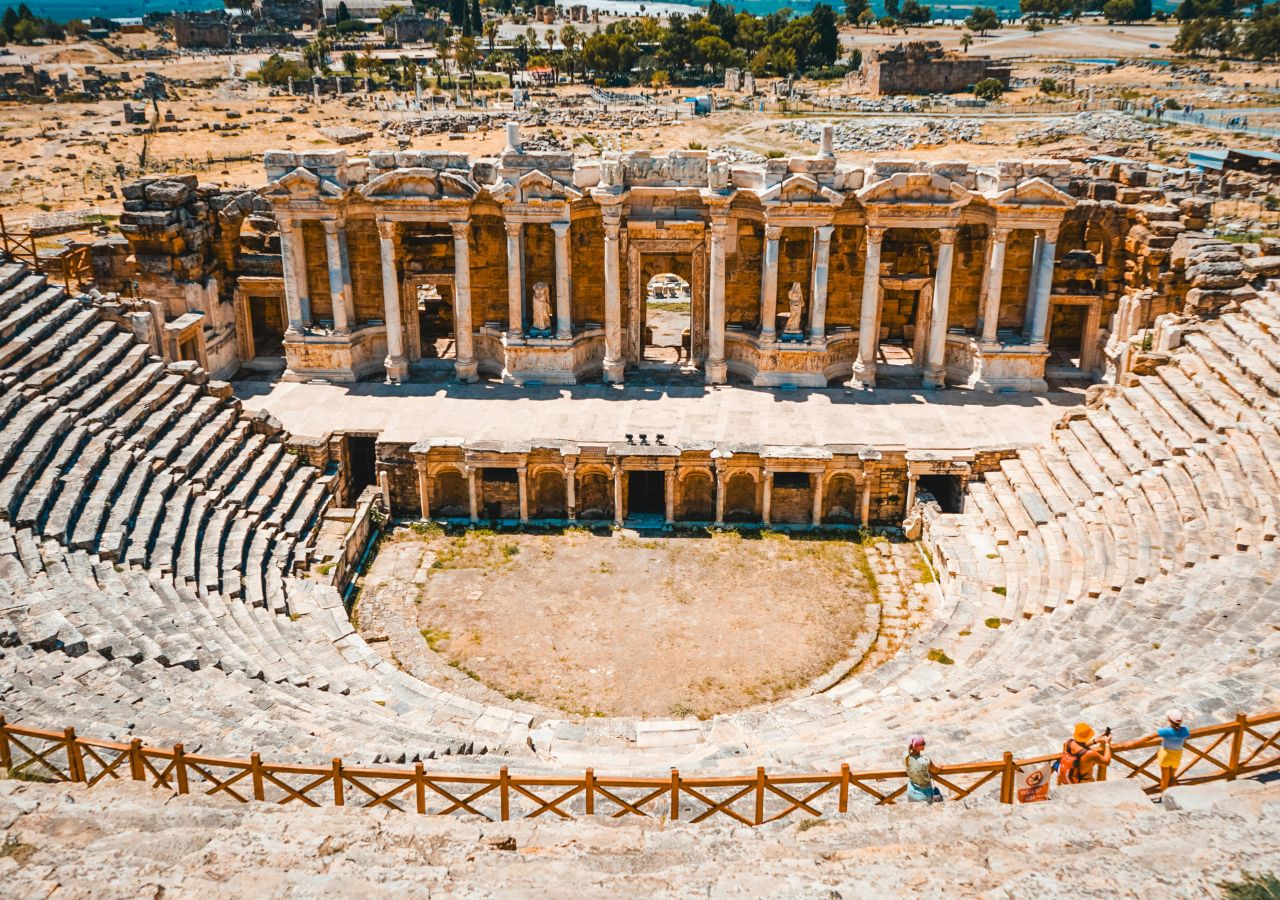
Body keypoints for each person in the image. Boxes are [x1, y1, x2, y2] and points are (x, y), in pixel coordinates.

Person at [1156, 709, 1190, 793]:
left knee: (1165, 778)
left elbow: (1149, 737)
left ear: (1169, 720)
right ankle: (1173, 795)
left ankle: (1164, 797)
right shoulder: (1185, 730)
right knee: (1172, 777)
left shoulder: (1165, 731)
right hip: (1177, 756)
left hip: (1165, 755)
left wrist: (1133, 743)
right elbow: (1186, 739)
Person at [904, 735, 942, 804]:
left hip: (911, 790)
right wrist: (940, 766)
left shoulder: (904, 756)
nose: (924, 744)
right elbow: (936, 770)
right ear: (918, 747)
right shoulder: (925, 761)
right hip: (924, 794)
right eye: (923, 743)